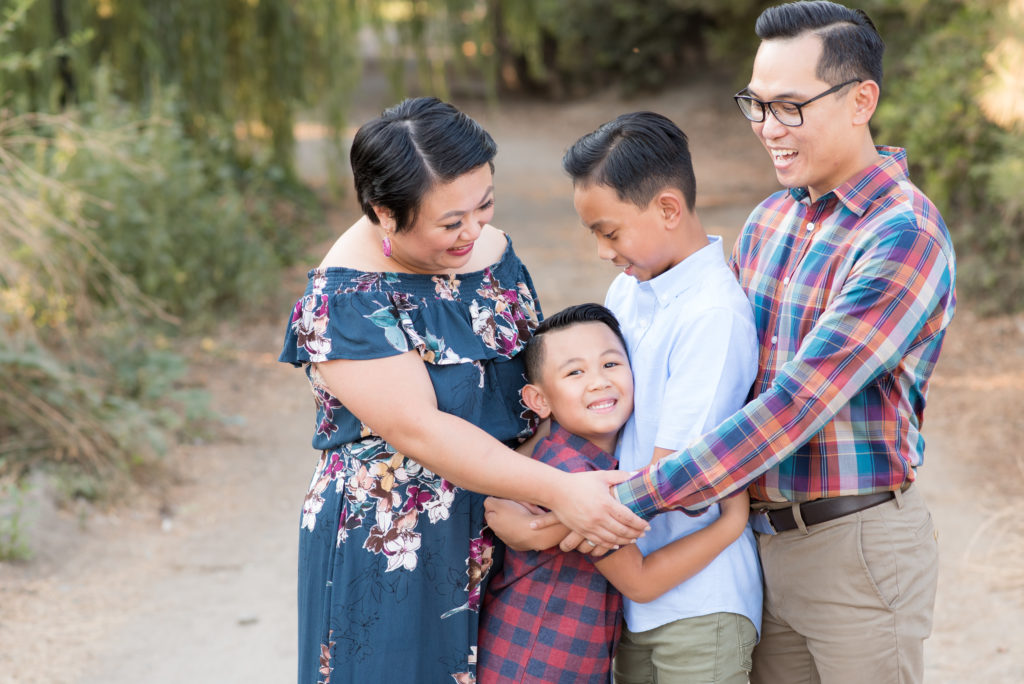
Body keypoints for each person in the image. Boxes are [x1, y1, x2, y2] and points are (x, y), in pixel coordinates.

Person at [560, 3, 955, 683]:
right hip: (755, 545)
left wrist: (628, 501)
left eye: (791, 107)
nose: (768, 128)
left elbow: (794, 406)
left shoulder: (901, 236)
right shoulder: (772, 219)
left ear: (862, 100)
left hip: (852, 547)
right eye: (758, 104)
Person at [278, 97, 646, 683]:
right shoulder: (346, 299)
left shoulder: (490, 254)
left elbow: (534, 382)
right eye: (451, 222)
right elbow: (418, 429)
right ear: (385, 213)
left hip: (510, 528)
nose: (473, 231)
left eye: (484, 205)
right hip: (397, 547)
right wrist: (560, 490)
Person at [563, 112, 763, 683]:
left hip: (700, 602)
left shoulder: (713, 314)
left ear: (669, 209)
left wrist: (548, 513)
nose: (603, 251)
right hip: (633, 595)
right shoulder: (628, 290)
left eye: (610, 231)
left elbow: (672, 477)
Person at [477, 304, 751, 684]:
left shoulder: (584, 459)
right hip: (536, 661)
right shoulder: (575, 474)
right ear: (539, 400)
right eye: (575, 372)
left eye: (610, 365)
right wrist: (732, 522)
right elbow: (641, 581)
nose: (598, 382)